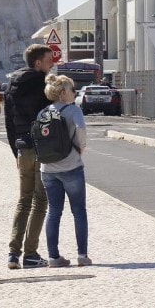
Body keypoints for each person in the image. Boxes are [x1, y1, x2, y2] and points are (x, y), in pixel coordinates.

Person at [3, 44, 55, 269]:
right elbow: (51, 116)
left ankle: (13, 254)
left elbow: (7, 121)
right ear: (38, 63)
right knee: (40, 201)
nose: (52, 63)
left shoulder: (11, 85)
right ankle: (31, 254)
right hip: (41, 148)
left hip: (23, 147)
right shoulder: (43, 84)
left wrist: (16, 150)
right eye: (49, 60)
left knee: (23, 200)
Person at [40, 74, 91, 268]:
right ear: (63, 93)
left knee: (53, 211)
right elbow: (81, 131)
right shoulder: (73, 111)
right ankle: (82, 255)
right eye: (72, 89)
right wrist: (81, 148)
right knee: (78, 211)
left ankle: (53, 257)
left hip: (48, 169)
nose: (74, 93)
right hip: (71, 166)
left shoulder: (43, 112)